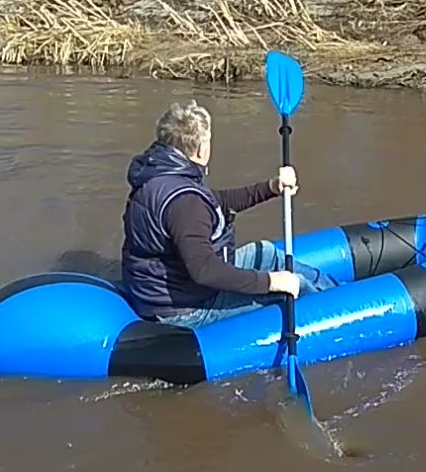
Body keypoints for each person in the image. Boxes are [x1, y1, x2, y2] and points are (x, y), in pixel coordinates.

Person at [119, 99, 338, 329]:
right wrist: (271, 281)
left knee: (267, 253)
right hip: (184, 308)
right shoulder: (185, 203)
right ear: (202, 148)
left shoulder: (160, 175)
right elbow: (205, 271)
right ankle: (339, 312)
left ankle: (337, 291)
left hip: (172, 289)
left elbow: (216, 203)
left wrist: (272, 187)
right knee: (295, 285)